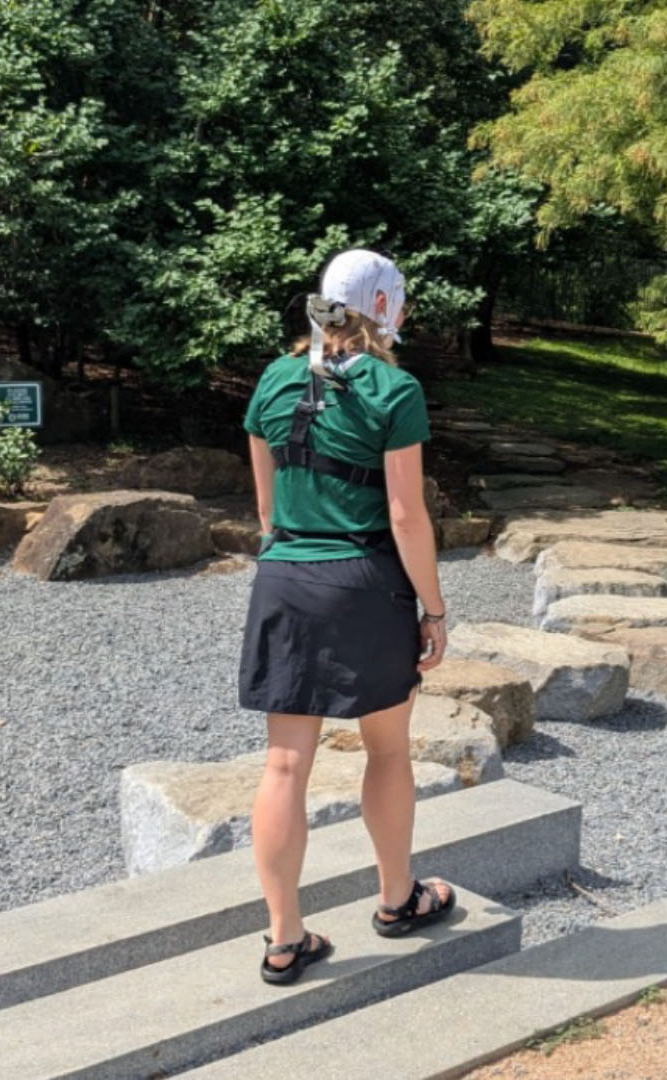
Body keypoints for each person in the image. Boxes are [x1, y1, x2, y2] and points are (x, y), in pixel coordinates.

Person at [238, 248, 457, 985]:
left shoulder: (272, 378)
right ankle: (398, 899)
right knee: (387, 751)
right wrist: (434, 610)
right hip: (364, 582)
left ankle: (283, 938)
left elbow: (266, 511)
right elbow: (406, 516)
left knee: (283, 763)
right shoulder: (395, 389)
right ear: (386, 309)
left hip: (284, 579)